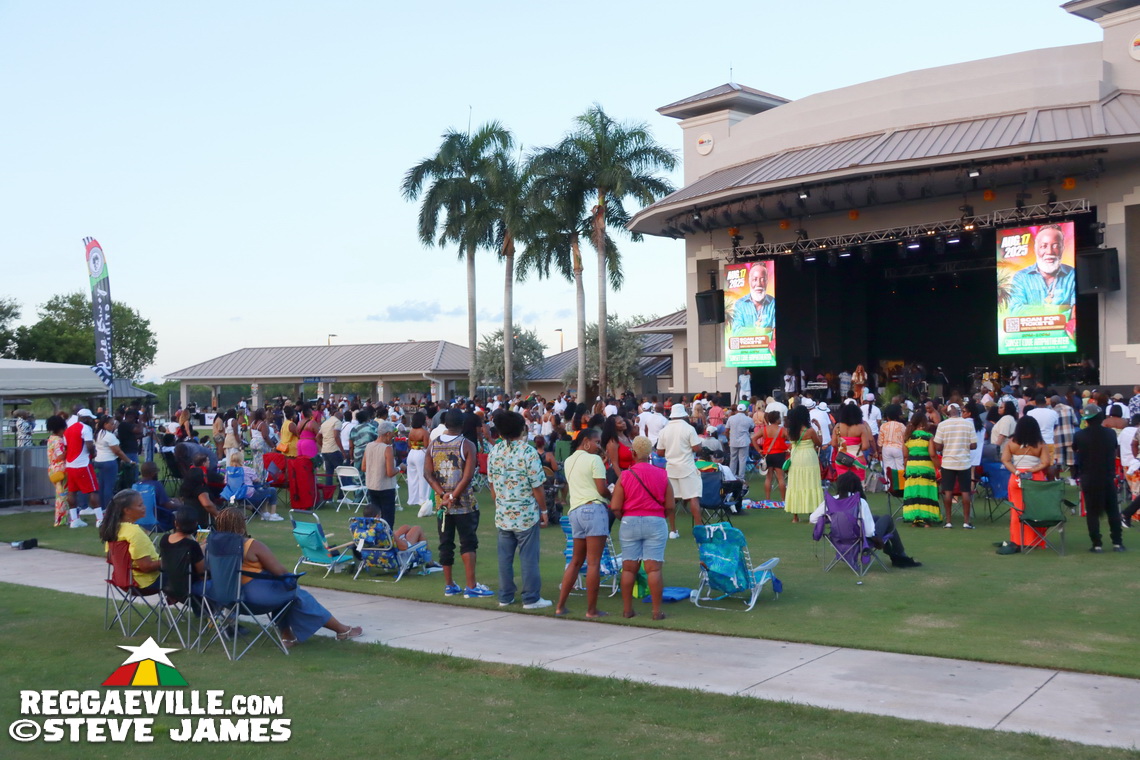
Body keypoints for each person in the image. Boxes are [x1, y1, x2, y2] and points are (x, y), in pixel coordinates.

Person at [210, 508, 362, 646]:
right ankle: (341, 630)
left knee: (285, 592)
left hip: (225, 600)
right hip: (253, 601)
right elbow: (281, 572)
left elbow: (202, 569)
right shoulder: (251, 545)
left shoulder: (210, 545)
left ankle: (287, 635)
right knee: (294, 592)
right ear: (241, 526)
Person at [486, 410, 551, 610]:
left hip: (504, 513)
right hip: (525, 515)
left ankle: (505, 596)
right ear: (522, 429)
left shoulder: (494, 452)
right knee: (529, 557)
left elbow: (492, 484)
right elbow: (537, 486)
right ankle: (531, 598)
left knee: (504, 559)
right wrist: (544, 511)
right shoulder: (528, 452)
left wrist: (499, 504)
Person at [424, 410, 491, 598]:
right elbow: (467, 476)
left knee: (446, 544)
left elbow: (428, 474)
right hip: (464, 504)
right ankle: (471, 586)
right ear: (462, 425)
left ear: (445, 424)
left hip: (442, 505)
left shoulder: (433, 445)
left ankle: (449, 585)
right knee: (468, 543)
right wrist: (453, 495)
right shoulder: (467, 444)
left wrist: (442, 494)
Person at [612, 435, 674, 620]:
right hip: (655, 521)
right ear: (650, 454)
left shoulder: (625, 475)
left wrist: (625, 517)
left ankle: (627, 610)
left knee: (629, 568)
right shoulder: (662, 474)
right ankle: (656, 612)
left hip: (629, 521)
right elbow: (670, 506)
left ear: (633, 453)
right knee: (654, 569)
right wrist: (658, 516)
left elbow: (615, 506)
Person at [555, 428, 612, 618]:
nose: (599, 447)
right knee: (594, 562)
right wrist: (612, 496)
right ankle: (591, 610)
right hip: (593, 509)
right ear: (586, 441)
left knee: (576, 561)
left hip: (575, 512)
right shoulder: (594, 460)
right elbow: (601, 489)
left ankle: (560, 606)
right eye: (597, 442)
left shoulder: (569, 460)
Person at [809, 473, 922, 568]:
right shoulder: (859, 501)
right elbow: (869, 532)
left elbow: (813, 518)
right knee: (887, 519)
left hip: (837, 538)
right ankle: (900, 556)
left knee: (876, 518)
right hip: (860, 540)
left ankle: (894, 554)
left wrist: (830, 517)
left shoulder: (831, 501)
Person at [996, 417, 1054, 554]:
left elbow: (1005, 460)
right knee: (1035, 510)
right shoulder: (1040, 444)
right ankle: (1036, 540)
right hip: (1035, 477)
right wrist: (1031, 470)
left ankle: (1018, 540)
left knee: (1017, 510)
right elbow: (1045, 462)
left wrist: (1017, 471)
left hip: (1017, 477)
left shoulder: (1012, 443)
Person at [1072, 404, 1125, 552]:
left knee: (1092, 512)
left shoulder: (1079, 435)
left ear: (1086, 420)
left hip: (1089, 477)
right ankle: (1117, 543)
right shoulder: (1110, 434)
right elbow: (1114, 448)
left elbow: (1075, 449)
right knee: (1112, 510)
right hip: (1107, 476)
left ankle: (1097, 544)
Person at [99, 488, 161, 591]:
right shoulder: (134, 532)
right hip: (146, 582)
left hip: (123, 581)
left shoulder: (114, 530)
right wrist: (169, 561)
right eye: (140, 505)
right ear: (127, 510)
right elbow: (146, 567)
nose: (144, 507)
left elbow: (111, 558)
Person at [1008, 224, 1076, 313]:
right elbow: (1016, 310)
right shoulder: (1021, 277)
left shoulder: (1072, 274)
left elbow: (1076, 312)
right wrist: (1058, 309)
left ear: (1062, 248)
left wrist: (1033, 311)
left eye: (1056, 246)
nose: (1049, 252)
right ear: (1035, 249)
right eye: (1043, 246)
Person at [655, 404, 704, 527]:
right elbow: (697, 448)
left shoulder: (664, 430)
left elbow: (659, 452)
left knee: (671, 500)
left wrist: (671, 451)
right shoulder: (689, 428)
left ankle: (673, 530)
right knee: (693, 497)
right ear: (683, 415)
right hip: (687, 467)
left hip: (671, 468)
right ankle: (699, 528)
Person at [933, 403, 977, 529]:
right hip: (964, 462)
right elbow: (974, 445)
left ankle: (948, 521)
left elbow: (938, 446)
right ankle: (966, 522)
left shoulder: (942, 425)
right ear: (959, 411)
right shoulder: (968, 424)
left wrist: (947, 445)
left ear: (948, 413)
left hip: (948, 462)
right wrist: (963, 445)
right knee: (965, 491)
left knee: (948, 491)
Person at [784, 405, 822, 523]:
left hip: (796, 457)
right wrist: (819, 428)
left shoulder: (790, 431)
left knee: (795, 483)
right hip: (809, 457)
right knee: (811, 482)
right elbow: (819, 443)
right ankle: (812, 513)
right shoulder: (810, 431)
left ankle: (795, 517)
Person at [64, 409, 102, 529]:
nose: (91, 420)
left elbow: (66, 447)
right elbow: (89, 445)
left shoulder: (68, 429)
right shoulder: (86, 428)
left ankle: (74, 519)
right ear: (85, 418)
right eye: (90, 418)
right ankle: (100, 519)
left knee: (72, 491)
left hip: (70, 464)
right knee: (93, 490)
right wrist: (93, 453)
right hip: (83, 463)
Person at [902, 411, 940, 526]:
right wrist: (938, 467)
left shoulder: (907, 437)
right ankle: (927, 519)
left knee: (914, 493)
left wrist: (906, 469)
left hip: (911, 467)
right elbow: (932, 454)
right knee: (926, 492)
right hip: (925, 466)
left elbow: (905, 456)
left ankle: (915, 519)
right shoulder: (928, 437)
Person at [361, 421, 399, 529]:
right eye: (392, 435)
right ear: (388, 434)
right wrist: (400, 468)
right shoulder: (387, 448)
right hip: (385, 487)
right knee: (388, 519)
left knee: (374, 517)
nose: (392, 437)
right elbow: (390, 472)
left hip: (372, 486)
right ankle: (387, 537)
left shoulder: (369, 446)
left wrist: (375, 467)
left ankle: (374, 535)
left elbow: (363, 467)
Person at [754, 410, 789, 501]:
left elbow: (753, 438)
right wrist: (788, 449)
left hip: (768, 454)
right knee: (780, 478)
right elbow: (792, 440)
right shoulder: (782, 430)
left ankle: (767, 499)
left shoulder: (764, 429)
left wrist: (759, 450)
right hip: (779, 454)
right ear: (777, 419)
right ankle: (783, 499)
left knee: (768, 477)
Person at [831, 403, 872, 477]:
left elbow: (833, 444)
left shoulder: (838, 426)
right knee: (858, 481)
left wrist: (842, 447)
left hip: (841, 458)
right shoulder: (861, 427)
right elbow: (865, 446)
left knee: (843, 481)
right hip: (857, 459)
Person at [731, 261, 775, 329]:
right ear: (749, 281)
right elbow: (737, 331)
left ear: (767, 281)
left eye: (762, 279)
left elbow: (776, 330)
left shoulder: (773, 303)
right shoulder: (740, 304)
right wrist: (763, 332)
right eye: (755, 279)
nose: (758, 284)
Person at [180, 463, 221, 527]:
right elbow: (207, 504)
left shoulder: (185, 488)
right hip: (201, 520)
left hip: (188, 517)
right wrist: (218, 514)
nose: (205, 477)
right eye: (204, 476)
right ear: (199, 478)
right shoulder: (200, 489)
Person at [46, 415, 69, 527]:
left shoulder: (51, 438)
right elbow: (60, 456)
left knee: (59, 495)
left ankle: (60, 519)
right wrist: (70, 449)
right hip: (60, 470)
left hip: (53, 469)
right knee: (63, 496)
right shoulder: (59, 440)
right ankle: (61, 520)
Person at [405, 411, 431, 507]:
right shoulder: (424, 432)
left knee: (412, 478)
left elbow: (409, 444)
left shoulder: (411, 431)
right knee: (423, 476)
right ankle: (423, 499)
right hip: (421, 453)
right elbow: (426, 445)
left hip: (411, 453)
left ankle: (412, 499)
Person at [725, 404, 755, 481]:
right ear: (745, 410)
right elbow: (752, 427)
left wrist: (728, 439)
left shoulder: (731, 418)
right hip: (744, 441)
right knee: (742, 460)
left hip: (733, 441)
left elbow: (727, 430)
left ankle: (731, 476)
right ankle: (741, 477)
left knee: (733, 459)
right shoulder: (748, 419)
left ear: (737, 410)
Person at [601, 414, 634, 480]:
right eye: (620, 423)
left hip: (632, 474)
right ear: (613, 427)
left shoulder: (627, 438)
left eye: (623, 421)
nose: (623, 423)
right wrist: (623, 480)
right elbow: (614, 464)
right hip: (622, 475)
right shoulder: (613, 442)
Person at [878, 404, 907, 476]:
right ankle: (901, 482)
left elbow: (880, 442)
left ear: (887, 416)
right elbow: (905, 440)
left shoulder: (883, 426)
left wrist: (880, 453)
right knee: (901, 469)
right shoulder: (902, 426)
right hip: (899, 449)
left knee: (889, 470)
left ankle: (889, 483)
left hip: (886, 449)